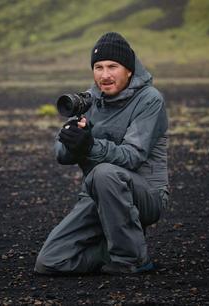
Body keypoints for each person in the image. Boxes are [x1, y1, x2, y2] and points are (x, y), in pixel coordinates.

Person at [34, 32, 169, 275]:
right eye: (98, 67)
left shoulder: (150, 100)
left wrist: (89, 146)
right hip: (97, 195)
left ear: (129, 70)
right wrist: (72, 141)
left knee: (104, 173)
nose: (104, 75)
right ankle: (113, 244)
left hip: (145, 195)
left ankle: (133, 259)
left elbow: (133, 156)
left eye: (112, 67)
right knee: (50, 262)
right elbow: (61, 155)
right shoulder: (89, 100)